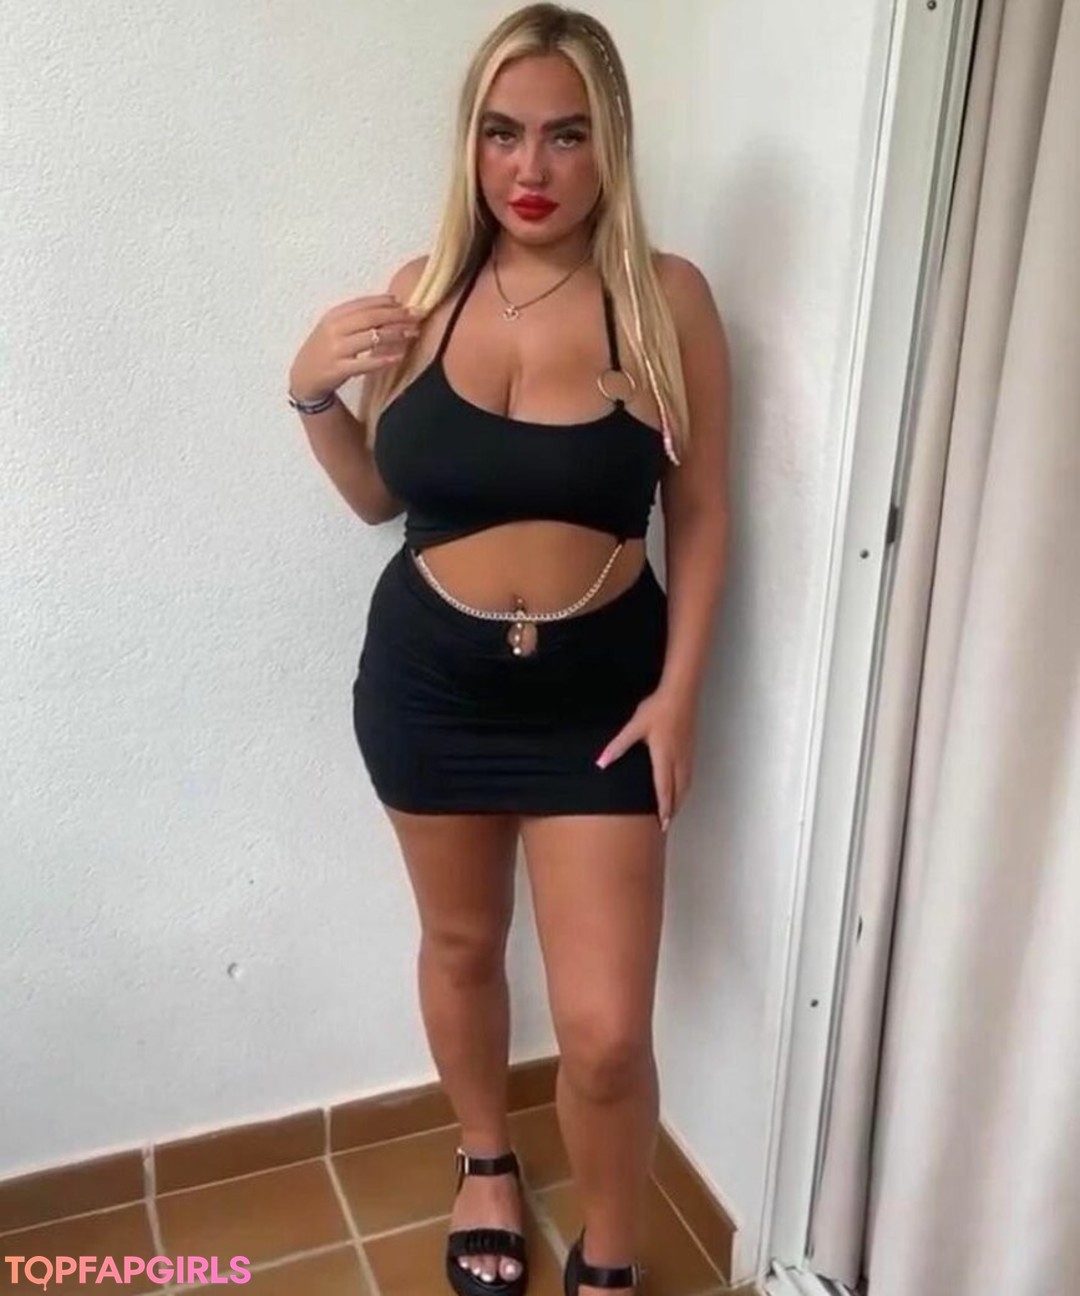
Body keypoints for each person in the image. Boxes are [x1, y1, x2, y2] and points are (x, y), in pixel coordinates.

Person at [287, 5, 730, 1293]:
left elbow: (703, 514)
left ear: (611, 144)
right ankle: (485, 1158)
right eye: (502, 133)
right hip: (429, 686)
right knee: (464, 947)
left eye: (565, 135)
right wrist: (312, 392)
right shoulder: (421, 291)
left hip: (601, 701)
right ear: (470, 144)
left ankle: (612, 1255)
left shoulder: (667, 299)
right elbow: (379, 498)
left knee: (605, 1033)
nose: (530, 168)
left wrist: (681, 695)